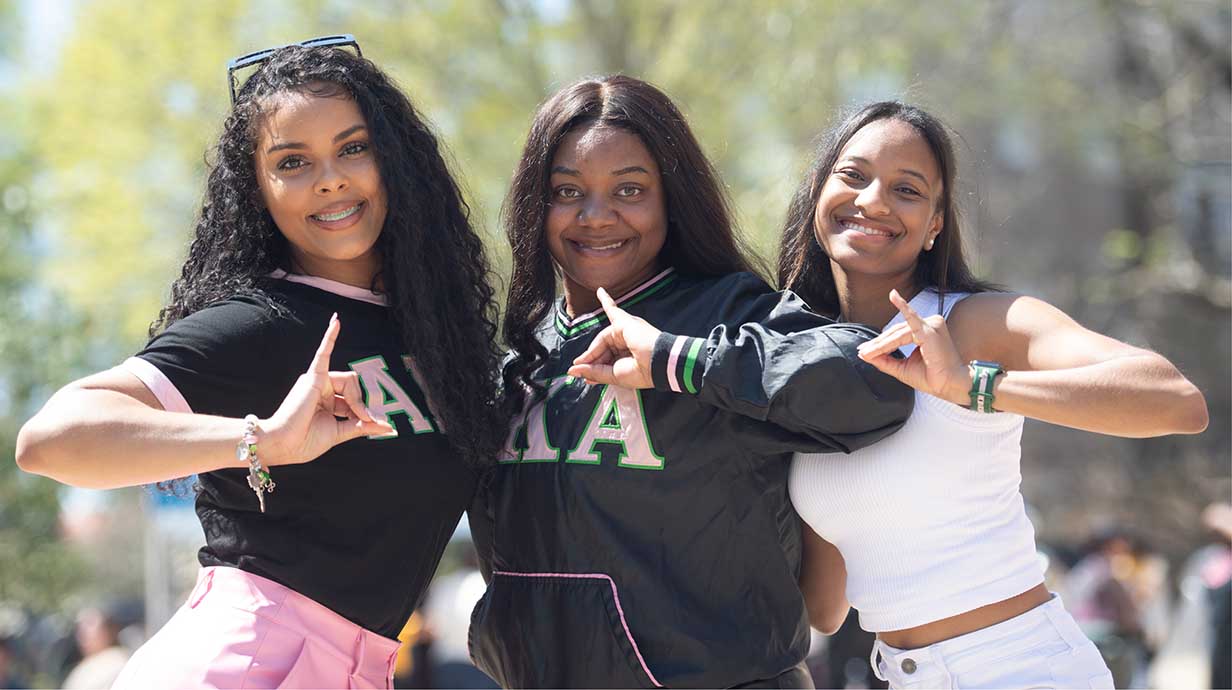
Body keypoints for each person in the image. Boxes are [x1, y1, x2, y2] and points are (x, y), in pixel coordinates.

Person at [15, 38, 503, 689]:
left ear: (396, 159)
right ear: (259, 190)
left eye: (353, 148)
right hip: (242, 665)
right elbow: (49, 440)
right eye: (292, 161)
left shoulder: (442, 341)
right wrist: (261, 440)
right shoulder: (263, 324)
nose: (330, 177)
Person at [466, 75, 914, 689]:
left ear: (672, 199)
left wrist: (677, 360)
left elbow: (875, 380)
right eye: (567, 191)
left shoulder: (723, 315)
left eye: (630, 190)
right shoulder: (522, 354)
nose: (596, 217)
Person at [779, 101, 1208, 689]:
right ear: (816, 191)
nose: (873, 200)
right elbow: (825, 608)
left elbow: (1177, 400)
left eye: (906, 189)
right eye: (853, 176)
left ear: (935, 224)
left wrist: (973, 386)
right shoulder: (801, 367)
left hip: (1021, 668)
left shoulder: (976, 324)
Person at [62, 606, 131, 690]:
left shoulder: (119, 661)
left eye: (90, 624)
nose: (84, 632)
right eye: (80, 627)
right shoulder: (84, 666)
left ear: (110, 629)